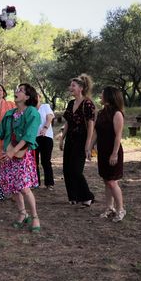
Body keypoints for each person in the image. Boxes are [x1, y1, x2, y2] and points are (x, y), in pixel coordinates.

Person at [0, 83, 42, 232]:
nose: (16, 92)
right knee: (14, 187)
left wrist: (13, 151)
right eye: (17, 89)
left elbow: (29, 136)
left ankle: (35, 217)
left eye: (21, 90)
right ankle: (22, 214)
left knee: (24, 188)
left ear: (27, 96)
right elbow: (1, 132)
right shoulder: (10, 113)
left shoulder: (32, 112)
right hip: (8, 153)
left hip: (21, 155)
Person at [60, 74, 96, 206]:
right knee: (67, 169)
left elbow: (91, 125)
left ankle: (87, 196)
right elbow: (68, 122)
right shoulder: (70, 103)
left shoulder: (87, 103)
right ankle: (73, 197)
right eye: (71, 86)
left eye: (73, 86)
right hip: (70, 138)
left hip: (82, 139)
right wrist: (62, 138)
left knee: (76, 170)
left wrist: (88, 144)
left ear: (80, 88)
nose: (71, 88)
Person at [92, 86, 126, 221]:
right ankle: (109, 208)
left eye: (102, 94)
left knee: (112, 182)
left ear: (109, 96)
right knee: (106, 181)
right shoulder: (101, 113)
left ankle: (121, 209)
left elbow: (118, 136)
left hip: (113, 151)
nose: (100, 96)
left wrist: (114, 153)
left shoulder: (117, 113)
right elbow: (96, 132)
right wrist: (89, 147)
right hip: (102, 151)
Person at [35, 94, 55, 190]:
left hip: (46, 136)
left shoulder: (45, 106)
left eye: (36, 96)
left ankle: (49, 183)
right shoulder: (29, 109)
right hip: (34, 138)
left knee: (46, 161)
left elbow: (50, 117)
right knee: (34, 161)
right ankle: (36, 182)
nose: (35, 98)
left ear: (40, 97)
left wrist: (45, 128)